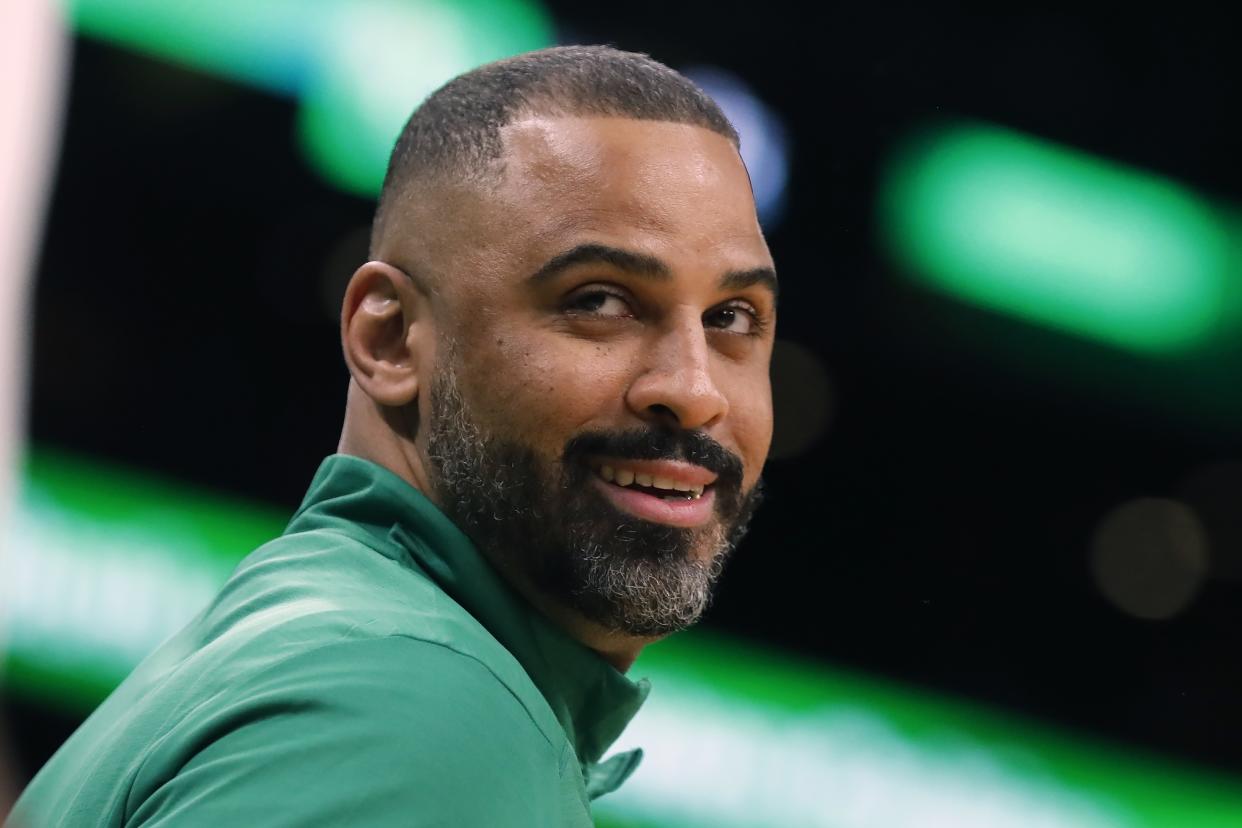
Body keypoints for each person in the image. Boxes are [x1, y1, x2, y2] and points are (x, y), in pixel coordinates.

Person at [8, 44, 777, 826]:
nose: (693, 389)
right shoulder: (418, 714)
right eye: (601, 300)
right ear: (390, 339)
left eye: (733, 318)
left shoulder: (307, 646)